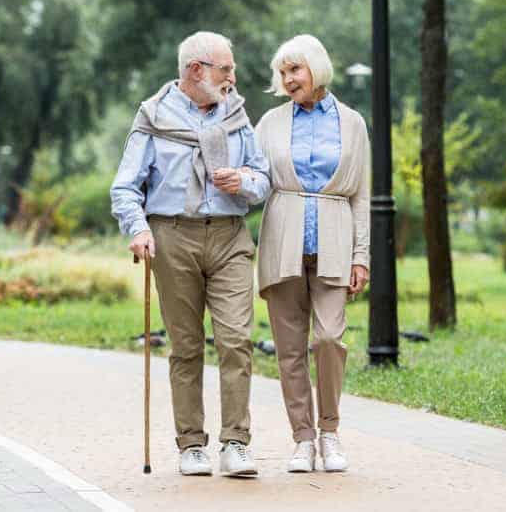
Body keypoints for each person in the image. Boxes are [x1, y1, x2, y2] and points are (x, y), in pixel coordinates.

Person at [110, 31, 270, 477]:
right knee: (186, 345)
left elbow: (262, 176)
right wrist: (138, 229)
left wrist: (245, 181)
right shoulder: (154, 116)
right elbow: (125, 187)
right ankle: (191, 444)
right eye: (226, 69)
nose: (233, 78)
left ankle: (236, 442)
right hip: (172, 236)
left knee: (237, 339)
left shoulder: (237, 114)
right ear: (196, 70)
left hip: (229, 235)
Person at [252, 34, 370, 473]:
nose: (287, 80)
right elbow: (255, 177)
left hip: (336, 240)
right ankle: (302, 438)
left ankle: (330, 432)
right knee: (288, 348)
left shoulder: (353, 123)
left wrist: (363, 256)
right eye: (282, 73)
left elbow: (361, 194)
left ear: (315, 69)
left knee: (327, 339)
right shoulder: (270, 123)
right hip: (282, 237)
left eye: (294, 71)